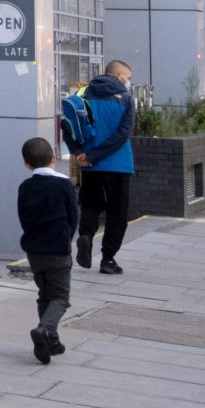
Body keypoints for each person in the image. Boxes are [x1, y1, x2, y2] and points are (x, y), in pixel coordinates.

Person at [69, 59, 136, 274]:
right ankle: (108, 259)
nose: (127, 82)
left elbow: (67, 125)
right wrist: (96, 155)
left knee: (90, 205)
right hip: (118, 164)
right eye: (127, 77)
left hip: (89, 165)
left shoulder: (81, 94)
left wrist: (80, 153)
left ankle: (86, 236)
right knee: (117, 213)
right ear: (117, 76)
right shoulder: (125, 99)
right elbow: (122, 134)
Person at [16, 135, 79, 363]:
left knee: (45, 294)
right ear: (53, 158)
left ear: (26, 164)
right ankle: (45, 330)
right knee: (61, 297)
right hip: (58, 251)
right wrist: (66, 239)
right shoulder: (63, 185)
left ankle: (50, 340)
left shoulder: (25, 187)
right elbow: (73, 217)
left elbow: (23, 217)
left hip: (34, 252)